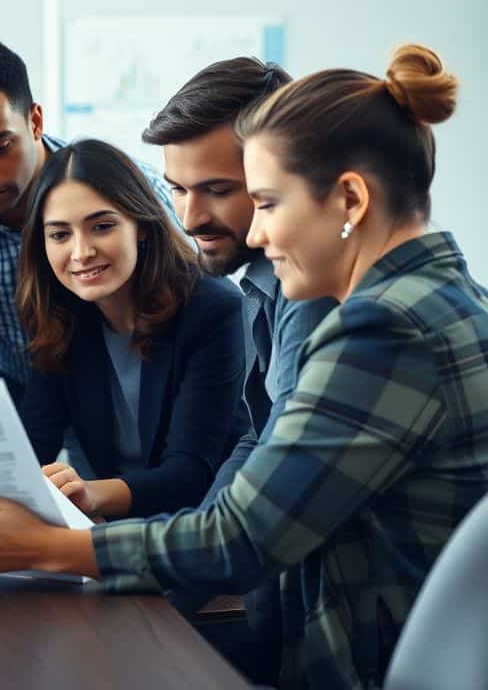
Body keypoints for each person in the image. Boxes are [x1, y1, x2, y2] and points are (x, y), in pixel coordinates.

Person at [0, 44, 488, 689]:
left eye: (269, 203)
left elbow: (243, 537)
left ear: (350, 200)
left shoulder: (381, 327)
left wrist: (48, 547)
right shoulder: (438, 298)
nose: (256, 233)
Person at [138, 57, 338, 683]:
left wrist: (138, 575)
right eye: (176, 188)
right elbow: (259, 435)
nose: (190, 218)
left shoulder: (314, 290)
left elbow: (272, 484)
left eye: (217, 190)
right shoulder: (256, 282)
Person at [0, 38, 172, 402]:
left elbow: (194, 311)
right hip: (20, 393)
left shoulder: (126, 189)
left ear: (34, 121)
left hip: (139, 391)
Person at [16, 139, 244, 519]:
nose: (81, 252)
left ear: (140, 225)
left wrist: (87, 493)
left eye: (101, 226)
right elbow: (35, 442)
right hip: (116, 528)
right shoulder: (60, 312)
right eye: (60, 234)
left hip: (204, 526)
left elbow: (190, 474)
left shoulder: (214, 309)